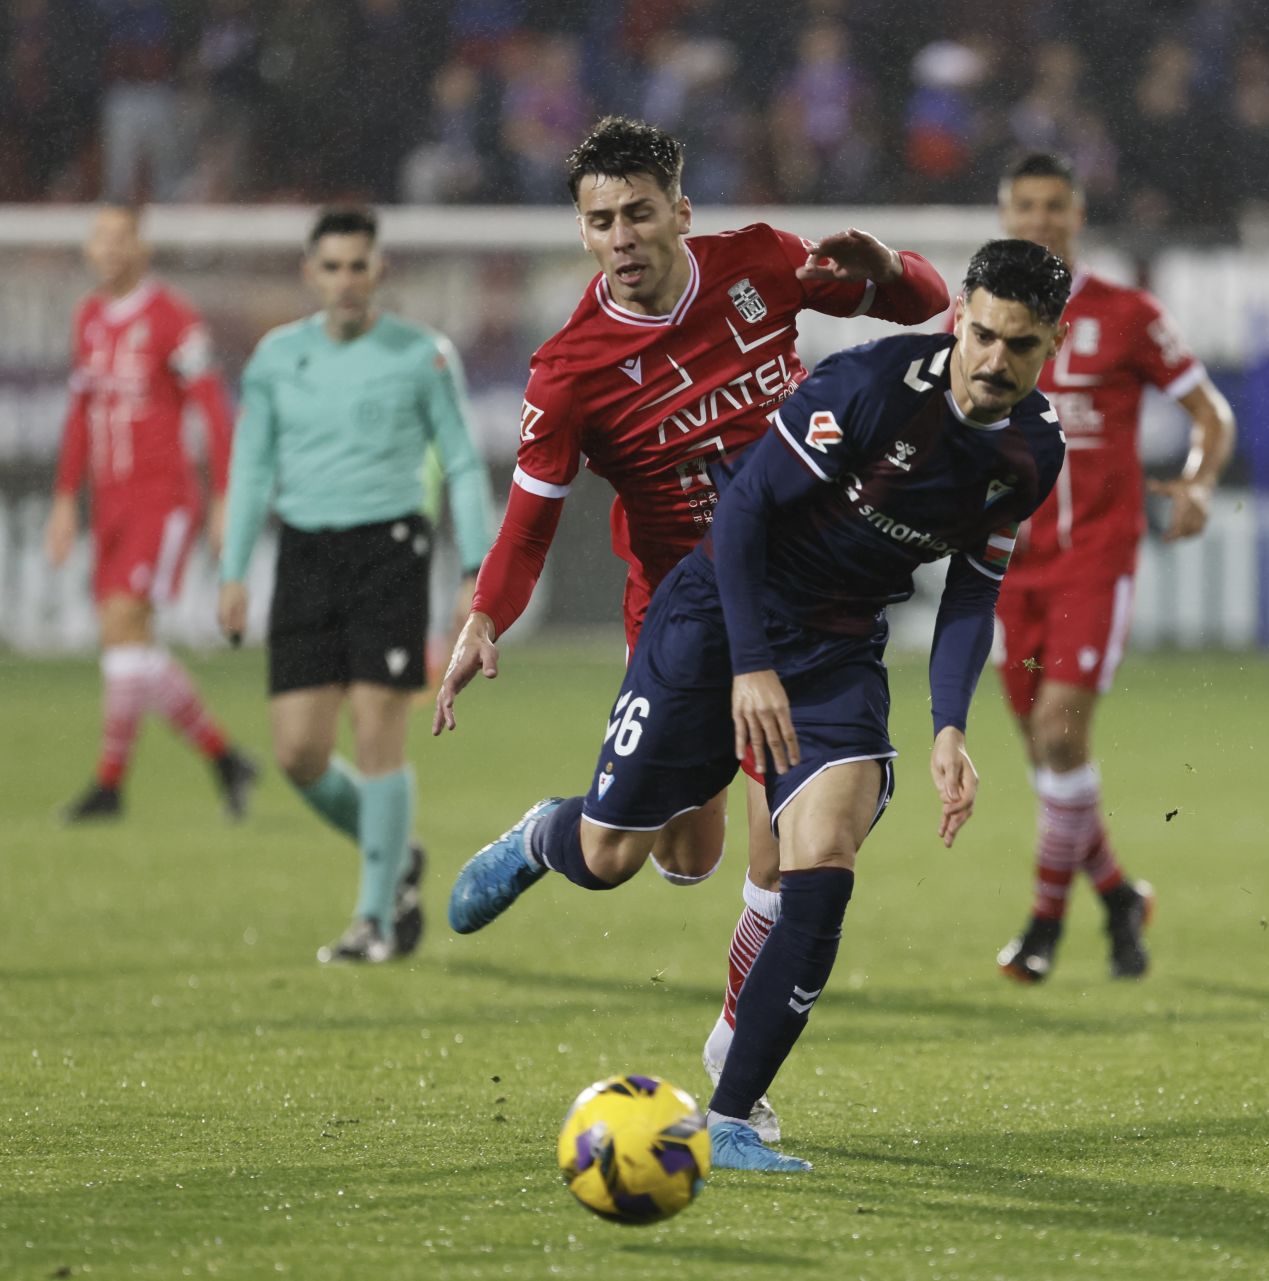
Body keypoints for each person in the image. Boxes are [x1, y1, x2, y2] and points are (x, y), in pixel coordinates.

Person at [441, 238, 1068, 1171]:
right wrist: (749, 665)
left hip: (840, 648)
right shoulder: (868, 387)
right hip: (719, 618)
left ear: (1049, 345)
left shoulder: (1032, 450)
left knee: (823, 855)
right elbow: (739, 519)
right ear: (959, 319)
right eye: (981, 334)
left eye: (1020, 346)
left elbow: (975, 592)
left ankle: (730, 1117)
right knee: (618, 856)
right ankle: (547, 834)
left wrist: (949, 727)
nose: (994, 361)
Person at [431, 116, 949, 1140]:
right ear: (581, 234)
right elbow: (529, 526)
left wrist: (892, 265)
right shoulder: (570, 371)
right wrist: (485, 616)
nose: (621, 236)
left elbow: (922, 309)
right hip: (685, 616)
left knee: (790, 852)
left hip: (808, 602)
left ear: (679, 209)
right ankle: (549, 834)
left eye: (637, 212)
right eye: (599, 221)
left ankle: (733, 1056)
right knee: (660, 857)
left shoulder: (755, 268)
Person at [218, 205, 496, 966]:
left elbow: (465, 461)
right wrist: (233, 569)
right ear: (311, 274)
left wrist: (477, 564)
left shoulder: (422, 355)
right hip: (305, 554)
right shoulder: (277, 358)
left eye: (358, 266)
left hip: (391, 550)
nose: (345, 281)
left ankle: (373, 917)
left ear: (380, 271)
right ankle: (395, 851)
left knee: (378, 728)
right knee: (300, 753)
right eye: (331, 266)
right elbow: (249, 467)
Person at [987, 152, 1236, 984]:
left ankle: (1043, 926)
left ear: (1079, 213)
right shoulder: (983, 318)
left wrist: (1199, 482)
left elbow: (1210, 411)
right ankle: (1119, 895)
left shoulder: (1127, 313)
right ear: (1006, 212)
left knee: (1061, 732)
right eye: (1025, 205)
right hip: (1006, 565)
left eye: (1054, 205)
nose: (1041, 220)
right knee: (1047, 753)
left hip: (1095, 558)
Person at [48, 203, 257, 824]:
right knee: (129, 643)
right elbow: (80, 416)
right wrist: (64, 500)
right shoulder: (88, 317)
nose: (110, 249)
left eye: (122, 238)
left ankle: (110, 784)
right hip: (109, 502)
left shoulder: (173, 318)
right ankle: (224, 758)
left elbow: (214, 411)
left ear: (141, 246)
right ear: (90, 249)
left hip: (161, 500)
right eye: (100, 238)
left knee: (123, 626)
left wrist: (224, 497)